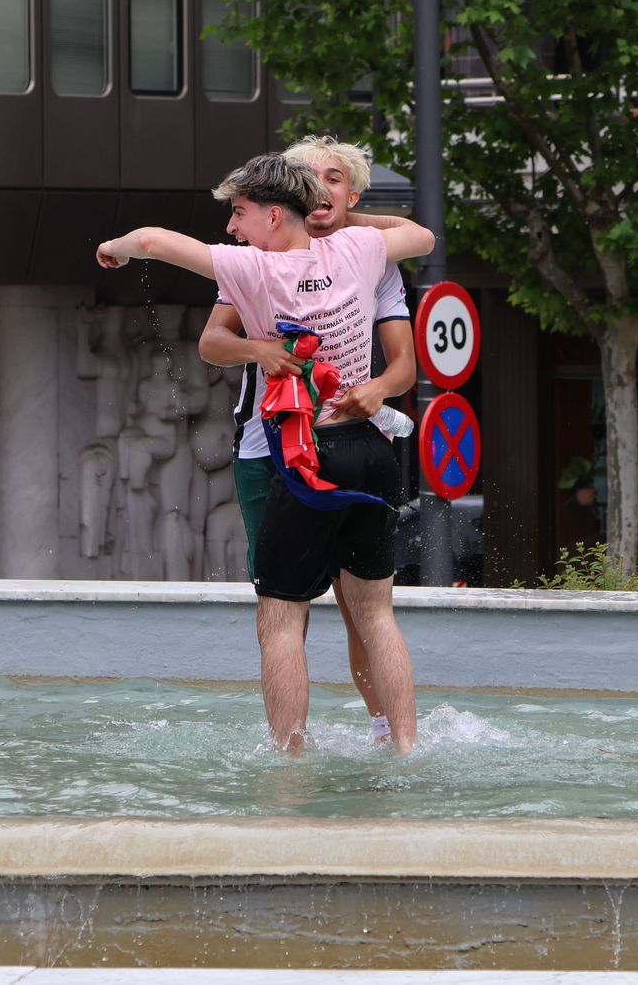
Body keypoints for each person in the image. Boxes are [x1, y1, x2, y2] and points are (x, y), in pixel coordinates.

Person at [95, 154, 433, 755]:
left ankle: (289, 765)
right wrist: (346, 218)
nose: (231, 227)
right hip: (370, 449)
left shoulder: (250, 269)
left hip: (306, 457)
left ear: (274, 215)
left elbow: (152, 240)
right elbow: (423, 235)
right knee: (377, 614)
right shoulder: (358, 252)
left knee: (281, 618)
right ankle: (408, 749)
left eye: (240, 213)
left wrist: (116, 246)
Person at [197, 136, 414, 744]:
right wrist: (258, 351)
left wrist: (379, 389)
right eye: (306, 180)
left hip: (343, 435)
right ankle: (328, 738)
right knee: (291, 603)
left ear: (353, 193)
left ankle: (372, 728)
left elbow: (404, 366)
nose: (320, 190)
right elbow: (212, 342)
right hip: (267, 449)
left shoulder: (370, 256)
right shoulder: (260, 257)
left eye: (333, 179)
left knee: (351, 605)